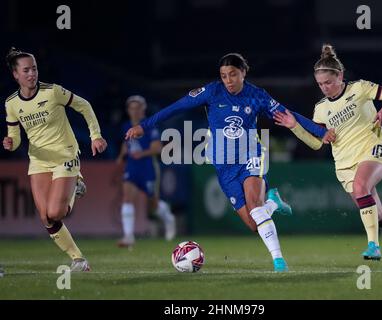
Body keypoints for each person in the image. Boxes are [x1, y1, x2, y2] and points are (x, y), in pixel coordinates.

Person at [125, 53, 335, 272]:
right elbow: (176, 107)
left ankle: (278, 261)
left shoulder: (257, 96)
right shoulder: (212, 91)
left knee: (255, 207)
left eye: (233, 75)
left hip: (250, 156)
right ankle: (273, 201)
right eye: (224, 76)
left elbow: (288, 114)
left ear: (243, 72)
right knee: (254, 224)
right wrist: (144, 126)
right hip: (224, 165)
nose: (228, 80)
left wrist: (320, 131)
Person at [274, 44, 382, 260]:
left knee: (361, 187)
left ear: (340, 76)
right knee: (376, 215)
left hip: (372, 148)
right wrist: (295, 126)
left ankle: (373, 246)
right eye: (320, 84)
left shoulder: (359, 88)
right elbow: (315, 144)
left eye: (328, 82)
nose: (325, 87)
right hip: (344, 164)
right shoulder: (321, 109)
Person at [3, 47, 107, 271]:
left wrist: (96, 135)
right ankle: (78, 259)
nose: (32, 74)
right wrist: (11, 143)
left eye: (34, 69)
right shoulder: (11, 104)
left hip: (65, 154)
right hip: (39, 160)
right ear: (15, 75)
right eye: (26, 70)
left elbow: (84, 106)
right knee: (46, 218)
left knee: (56, 212)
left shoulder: (53, 92)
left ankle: (76, 183)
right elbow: (15, 137)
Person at [116, 95, 176, 247]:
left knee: (153, 205)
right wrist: (121, 155)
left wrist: (141, 154)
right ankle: (128, 236)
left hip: (148, 166)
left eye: (138, 108)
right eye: (131, 108)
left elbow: (158, 148)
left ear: (143, 110)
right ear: (128, 110)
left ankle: (169, 219)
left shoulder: (149, 125)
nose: (134, 111)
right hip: (132, 166)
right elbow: (126, 143)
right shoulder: (126, 126)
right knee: (127, 197)